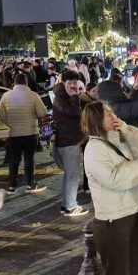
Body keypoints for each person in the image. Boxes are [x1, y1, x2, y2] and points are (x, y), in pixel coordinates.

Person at [81, 101, 138, 275]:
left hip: (131, 212)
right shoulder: (94, 148)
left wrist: (125, 128)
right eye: (107, 114)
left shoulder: (116, 140)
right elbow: (113, 178)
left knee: (133, 274)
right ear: (95, 121)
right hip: (113, 221)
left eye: (112, 111)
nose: (112, 116)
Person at [0, 73, 48, 193]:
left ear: (14, 83)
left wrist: (10, 124)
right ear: (26, 83)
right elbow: (42, 113)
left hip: (13, 133)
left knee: (14, 160)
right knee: (29, 159)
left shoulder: (5, 96)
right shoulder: (33, 95)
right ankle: (30, 185)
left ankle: (11, 186)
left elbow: (2, 115)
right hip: (30, 132)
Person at [51, 70, 89, 217]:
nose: (73, 85)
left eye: (75, 82)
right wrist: (75, 97)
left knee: (69, 175)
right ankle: (71, 207)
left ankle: (66, 204)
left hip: (69, 140)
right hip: (69, 142)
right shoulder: (61, 98)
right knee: (73, 176)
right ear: (63, 82)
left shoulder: (63, 96)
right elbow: (74, 113)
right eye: (70, 82)